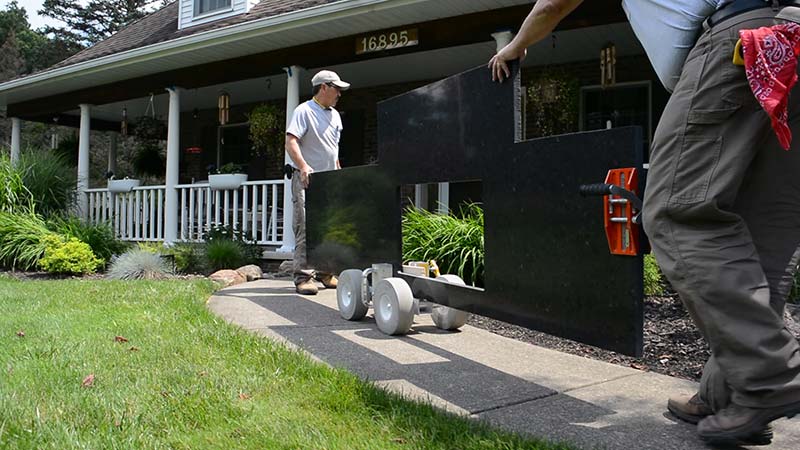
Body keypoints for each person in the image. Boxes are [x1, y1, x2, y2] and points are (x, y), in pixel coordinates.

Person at [490, 0, 800, 445]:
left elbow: (553, 4)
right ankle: (733, 395)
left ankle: (770, 376)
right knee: (761, 232)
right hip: (790, 37)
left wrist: (514, 47)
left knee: (676, 212)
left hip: (738, 40)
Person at [285, 70, 349, 295]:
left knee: (329, 228)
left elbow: (333, 149)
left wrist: (338, 171)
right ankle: (303, 277)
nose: (339, 93)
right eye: (336, 88)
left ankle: (326, 273)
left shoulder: (336, 116)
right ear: (323, 87)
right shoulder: (304, 111)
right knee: (307, 227)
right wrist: (303, 166)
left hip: (329, 180)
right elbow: (291, 141)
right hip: (307, 179)